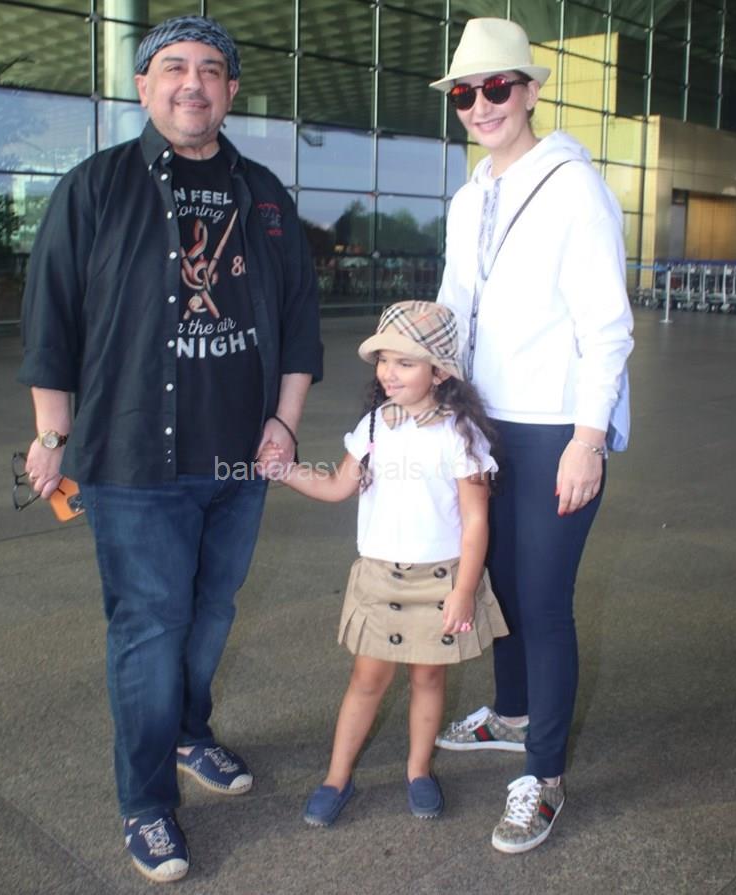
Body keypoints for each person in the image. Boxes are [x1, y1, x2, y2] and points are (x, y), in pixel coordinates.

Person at [17, 15, 322, 883]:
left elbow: (298, 318)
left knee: (212, 612)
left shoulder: (262, 194)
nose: (194, 83)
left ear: (231, 91)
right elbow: (51, 321)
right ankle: (146, 801)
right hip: (131, 460)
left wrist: (285, 424)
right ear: (145, 86)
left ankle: (189, 732)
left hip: (239, 459)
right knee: (151, 628)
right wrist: (51, 433)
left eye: (212, 70)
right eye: (175, 68)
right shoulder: (96, 187)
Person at [429, 18, 634, 854]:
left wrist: (589, 436)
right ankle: (512, 713)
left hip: (555, 424)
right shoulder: (469, 196)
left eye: (496, 88)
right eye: (464, 93)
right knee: (502, 583)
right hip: (484, 419)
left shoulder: (574, 188)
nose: (480, 105)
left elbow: (607, 326)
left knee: (543, 599)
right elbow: (453, 306)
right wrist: (425, 389)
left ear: (529, 90)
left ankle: (543, 774)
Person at [259, 301, 508, 826]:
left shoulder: (461, 435)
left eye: (405, 363)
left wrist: (464, 590)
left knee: (428, 680)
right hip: (378, 577)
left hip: (439, 581)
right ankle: (336, 776)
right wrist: (285, 471)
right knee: (366, 680)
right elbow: (336, 486)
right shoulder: (374, 425)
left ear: (439, 373)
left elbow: (476, 521)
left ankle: (418, 771)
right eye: (384, 361)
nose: (388, 373)